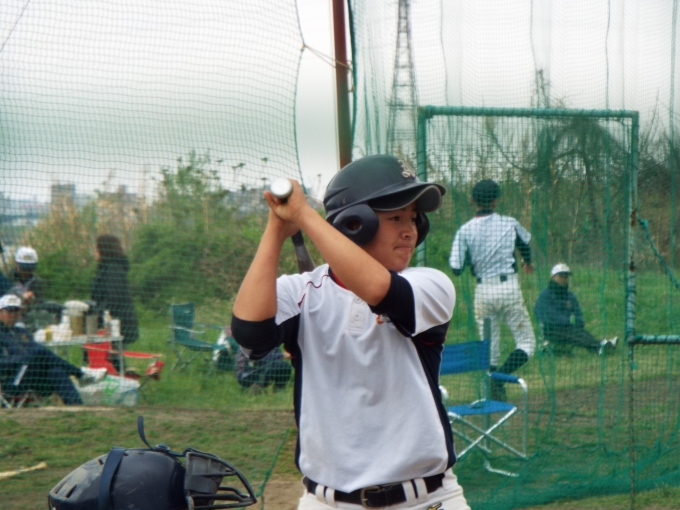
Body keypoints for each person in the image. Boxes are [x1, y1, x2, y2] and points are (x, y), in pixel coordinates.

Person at [232, 155, 469, 510]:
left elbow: (378, 290)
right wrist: (276, 231)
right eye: (395, 218)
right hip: (326, 502)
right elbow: (250, 333)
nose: (410, 230)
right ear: (354, 224)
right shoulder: (301, 292)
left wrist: (304, 215)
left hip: (427, 500)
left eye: (413, 218)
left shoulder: (429, 284)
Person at [449, 179, 536, 401]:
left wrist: (474, 257)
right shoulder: (509, 223)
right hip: (509, 289)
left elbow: (456, 268)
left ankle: (492, 387)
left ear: (472, 200)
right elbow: (525, 246)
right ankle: (499, 379)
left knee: (489, 350)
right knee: (527, 344)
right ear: (496, 201)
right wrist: (527, 262)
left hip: (483, 292)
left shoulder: (465, 230)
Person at [0, 294, 85, 405]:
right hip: (10, 381)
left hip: (33, 378)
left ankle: (76, 407)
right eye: (9, 311)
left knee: (56, 370)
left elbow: (37, 354)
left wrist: (29, 359)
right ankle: (80, 374)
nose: (13, 315)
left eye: (16, 311)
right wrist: (23, 359)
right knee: (38, 352)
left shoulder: (23, 333)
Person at [535, 263, 617, 355]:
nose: (564, 279)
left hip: (567, 327)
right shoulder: (545, 295)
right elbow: (545, 314)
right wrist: (565, 321)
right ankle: (600, 345)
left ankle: (599, 347)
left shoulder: (570, 296)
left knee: (580, 332)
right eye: (561, 276)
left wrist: (579, 322)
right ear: (553, 277)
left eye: (566, 277)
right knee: (572, 333)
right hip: (551, 329)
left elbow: (577, 312)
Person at [91, 234, 139, 344]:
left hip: (117, 324)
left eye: (96, 248)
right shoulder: (106, 268)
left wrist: (97, 313)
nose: (95, 252)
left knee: (113, 352)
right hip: (111, 323)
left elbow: (114, 298)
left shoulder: (113, 269)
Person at [7, 246, 47, 329]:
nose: (26, 271)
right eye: (24, 268)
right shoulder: (6, 280)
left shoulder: (38, 282)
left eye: (29, 268)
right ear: (16, 264)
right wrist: (21, 298)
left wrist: (32, 302)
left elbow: (41, 304)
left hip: (30, 323)